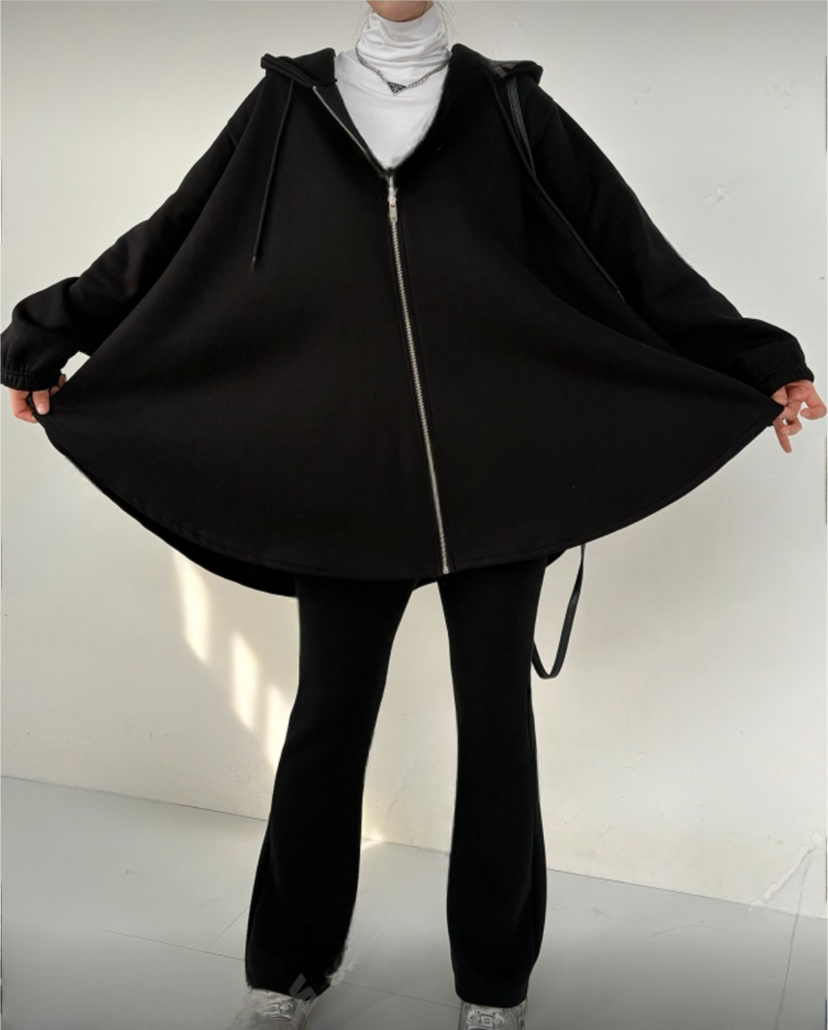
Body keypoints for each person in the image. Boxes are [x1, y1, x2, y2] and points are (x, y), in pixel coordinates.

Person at [1, 2, 823, 1029]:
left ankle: (493, 980)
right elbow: (171, 237)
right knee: (328, 716)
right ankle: (289, 963)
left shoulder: (510, 106)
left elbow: (634, 253)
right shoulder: (287, 105)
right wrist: (44, 337)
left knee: (496, 723)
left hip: (497, 478)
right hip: (342, 476)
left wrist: (760, 361)